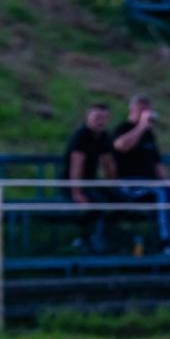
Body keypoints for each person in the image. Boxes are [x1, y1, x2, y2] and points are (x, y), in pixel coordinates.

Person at [109, 94, 170, 251]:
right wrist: (140, 126)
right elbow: (121, 146)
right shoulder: (123, 128)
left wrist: (169, 181)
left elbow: (157, 164)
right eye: (142, 110)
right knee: (162, 192)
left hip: (150, 185)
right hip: (128, 185)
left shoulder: (149, 135)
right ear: (133, 110)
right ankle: (166, 241)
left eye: (148, 110)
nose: (146, 114)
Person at [65, 102, 114, 252]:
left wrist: (114, 185)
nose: (101, 121)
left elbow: (108, 163)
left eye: (104, 117)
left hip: (92, 183)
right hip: (74, 183)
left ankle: (106, 239)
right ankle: (88, 240)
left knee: (117, 199)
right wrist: (76, 192)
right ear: (88, 117)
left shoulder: (103, 136)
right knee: (96, 203)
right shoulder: (81, 136)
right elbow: (76, 164)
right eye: (97, 116)